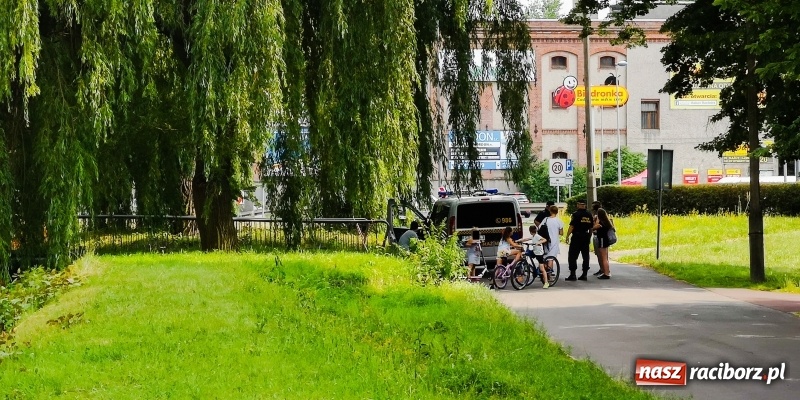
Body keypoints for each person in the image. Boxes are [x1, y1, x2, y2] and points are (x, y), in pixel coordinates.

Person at [565, 200, 594, 281]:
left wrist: (567, 236)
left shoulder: (576, 214)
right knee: (585, 256)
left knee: (573, 255)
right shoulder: (589, 214)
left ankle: (573, 274)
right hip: (585, 235)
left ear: (578, 205)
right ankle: (584, 274)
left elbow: (572, 226)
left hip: (577, 236)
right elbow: (591, 227)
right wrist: (589, 236)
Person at [541, 205, 564, 271]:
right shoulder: (559, 221)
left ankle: (544, 272)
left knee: (545, 257)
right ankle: (549, 273)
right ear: (557, 212)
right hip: (554, 242)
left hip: (546, 241)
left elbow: (540, 228)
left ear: (550, 211)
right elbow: (561, 233)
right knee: (551, 258)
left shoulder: (545, 220)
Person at [593, 208, 614, 279]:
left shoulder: (600, 223)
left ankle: (606, 273)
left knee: (603, 257)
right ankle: (607, 271)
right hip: (605, 240)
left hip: (602, 239)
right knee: (605, 257)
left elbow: (594, 228)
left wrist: (596, 220)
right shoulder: (606, 222)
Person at [591, 201, 604, 277]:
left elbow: (597, 225)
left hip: (598, 236)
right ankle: (602, 269)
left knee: (600, 255)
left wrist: (592, 228)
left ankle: (603, 269)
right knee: (600, 254)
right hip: (599, 236)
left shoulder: (597, 216)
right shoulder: (602, 214)